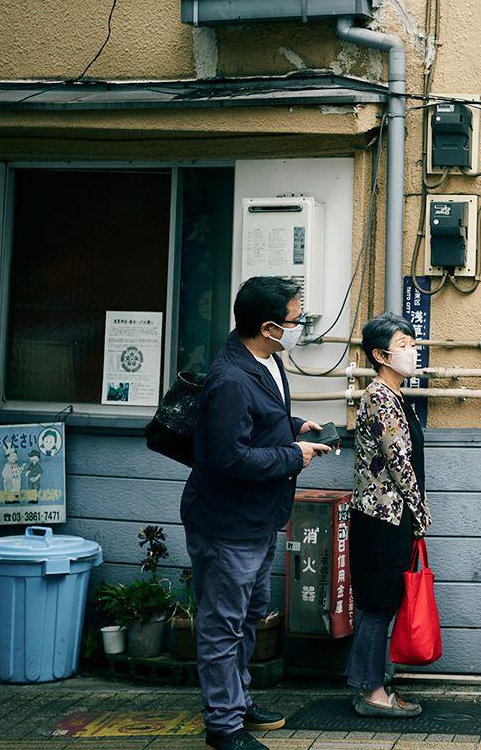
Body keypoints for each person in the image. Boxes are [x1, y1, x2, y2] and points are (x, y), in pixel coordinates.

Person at [182, 277, 334, 750]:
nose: (299, 326)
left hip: (258, 518)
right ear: (268, 327)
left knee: (247, 617)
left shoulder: (266, 360)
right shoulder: (229, 378)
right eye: (294, 320)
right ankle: (223, 727)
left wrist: (295, 426)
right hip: (226, 523)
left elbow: (260, 421)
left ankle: (238, 701)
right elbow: (229, 457)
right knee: (223, 625)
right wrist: (294, 455)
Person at [346, 314, 431, 718]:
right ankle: (371, 693)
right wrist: (420, 511)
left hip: (389, 517)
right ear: (380, 355)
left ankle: (369, 683)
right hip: (383, 518)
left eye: (413, 344)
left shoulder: (395, 397)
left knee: (380, 603)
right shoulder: (379, 397)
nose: (412, 351)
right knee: (379, 604)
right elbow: (399, 463)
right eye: (403, 345)